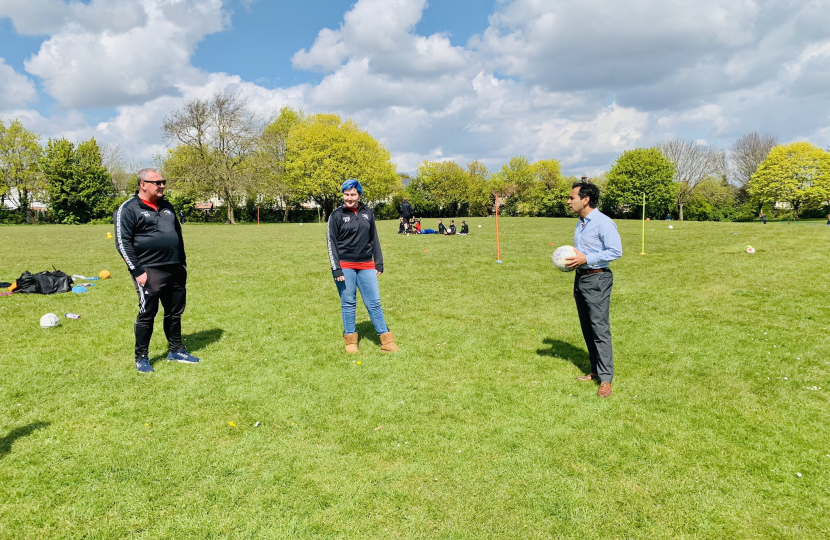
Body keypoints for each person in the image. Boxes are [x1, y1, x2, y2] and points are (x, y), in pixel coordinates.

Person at [114, 168, 199, 373]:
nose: (162, 186)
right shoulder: (128, 209)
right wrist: (137, 270)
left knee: (174, 312)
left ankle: (176, 350)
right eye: (157, 182)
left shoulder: (167, 207)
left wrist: (183, 262)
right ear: (143, 184)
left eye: (163, 182)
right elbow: (122, 242)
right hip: (149, 270)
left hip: (175, 268)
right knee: (147, 314)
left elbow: (178, 235)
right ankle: (141, 358)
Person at [328, 179, 399, 354]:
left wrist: (379, 262)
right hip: (345, 266)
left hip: (367, 265)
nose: (349, 198)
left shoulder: (368, 212)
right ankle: (351, 341)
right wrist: (336, 268)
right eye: (346, 194)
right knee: (348, 303)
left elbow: (374, 238)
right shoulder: (336, 215)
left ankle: (386, 341)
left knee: (374, 303)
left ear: (359, 195)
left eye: (352, 194)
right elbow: (331, 243)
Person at [565, 182, 622, 398]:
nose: (569, 201)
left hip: (597, 279)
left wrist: (586, 259)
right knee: (587, 327)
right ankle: (596, 370)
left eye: (572, 198)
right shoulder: (580, 223)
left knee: (599, 328)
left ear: (586, 199)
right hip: (581, 279)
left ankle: (606, 379)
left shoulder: (603, 223)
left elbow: (616, 251)